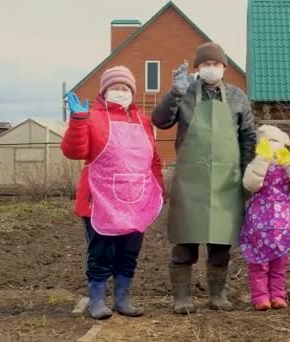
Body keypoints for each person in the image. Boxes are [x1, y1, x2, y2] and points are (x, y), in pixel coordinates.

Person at [152, 42, 257, 314]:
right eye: (206, 64)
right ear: (198, 68)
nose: (211, 69)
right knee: (185, 241)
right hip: (190, 181)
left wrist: (248, 173)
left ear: (224, 67)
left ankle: (217, 295)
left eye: (216, 64)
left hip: (227, 181)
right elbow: (160, 121)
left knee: (221, 242)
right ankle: (182, 298)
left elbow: (248, 137)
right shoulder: (184, 93)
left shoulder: (237, 97)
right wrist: (174, 92)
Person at [61, 66, 165, 319]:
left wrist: (158, 189)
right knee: (101, 253)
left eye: (125, 88)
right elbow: (74, 152)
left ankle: (122, 299)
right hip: (100, 200)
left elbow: (152, 159)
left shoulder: (143, 120)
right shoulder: (91, 116)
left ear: (133, 92)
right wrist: (77, 121)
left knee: (128, 253)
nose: (120, 92)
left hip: (135, 199)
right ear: (104, 91)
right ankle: (97, 300)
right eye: (115, 88)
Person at [240, 125, 290, 311]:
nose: (273, 147)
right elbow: (251, 185)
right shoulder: (255, 165)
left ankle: (278, 295)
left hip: (283, 222)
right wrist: (261, 161)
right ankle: (261, 297)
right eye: (268, 142)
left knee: (280, 261)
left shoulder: (287, 164)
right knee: (259, 261)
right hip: (259, 221)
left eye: (276, 142)